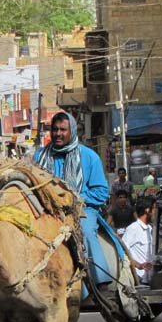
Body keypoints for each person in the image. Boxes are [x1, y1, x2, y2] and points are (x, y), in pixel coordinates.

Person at [34, 112, 112, 290]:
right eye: (54, 129)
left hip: (81, 210)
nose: (58, 134)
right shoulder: (38, 157)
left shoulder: (89, 157)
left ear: (72, 131)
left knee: (84, 231)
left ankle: (99, 281)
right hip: (48, 211)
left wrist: (75, 199)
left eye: (63, 129)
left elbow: (101, 192)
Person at [122, 199, 154, 284]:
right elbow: (122, 250)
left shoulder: (149, 229)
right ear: (147, 210)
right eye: (154, 209)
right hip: (138, 278)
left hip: (148, 278)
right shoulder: (134, 228)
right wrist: (138, 265)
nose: (155, 213)